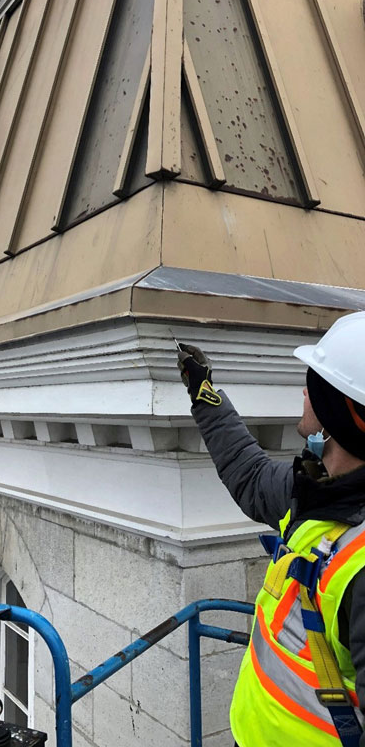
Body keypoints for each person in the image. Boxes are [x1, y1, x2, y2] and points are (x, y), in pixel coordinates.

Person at [176, 311, 365, 747]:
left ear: (338, 410)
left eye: (313, 383)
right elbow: (251, 475)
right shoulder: (319, 492)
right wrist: (205, 394)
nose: (304, 390)